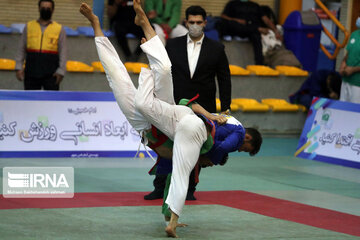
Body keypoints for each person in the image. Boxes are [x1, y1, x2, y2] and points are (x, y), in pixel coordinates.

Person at [79, 1, 261, 237]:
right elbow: (212, 143)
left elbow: (176, 181)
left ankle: (97, 25)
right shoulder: (232, 134)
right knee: (163, 69)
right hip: (176, 111)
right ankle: (144, 25)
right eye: (247, 147)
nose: (242, 148)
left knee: (117, 77)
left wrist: (170, 216)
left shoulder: (194, 151)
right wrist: (213, 121)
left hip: (150, 126)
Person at [145, 5, 232, 201]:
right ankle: (159, 187)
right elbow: (162, 73)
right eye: (191, 22)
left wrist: (225, 109)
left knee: (196, 148)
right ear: (186, 23)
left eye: (198, 22)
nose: (194, 26)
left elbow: (224, 79)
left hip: (205, 106)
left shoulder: (217, 48)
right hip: (175, 104)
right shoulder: (172, 45)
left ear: (205, 23)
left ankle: (190, 189)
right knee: (166, 145)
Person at [15, 0, 67, 90]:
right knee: (31, 101)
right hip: (31, 71)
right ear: (39, 9)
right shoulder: (29, 26)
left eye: (48, 8)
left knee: (51, 101)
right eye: (43, 8)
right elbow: (21, 49)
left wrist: (61, 71)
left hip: (52, 73)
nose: (45, 10)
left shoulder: (59, 29)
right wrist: (18, 67)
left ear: (53, 10)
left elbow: (63, 51)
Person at [218, 0, 281, 65]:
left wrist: (276, 31)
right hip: (237, 28)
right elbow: (223, 16)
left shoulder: (255, 5)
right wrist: (237, 20)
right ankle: (257, 29)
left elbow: (266, 20)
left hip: (251, 30)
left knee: (256, 36)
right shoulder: (232, 3)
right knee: (232, 24)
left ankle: (259, 64)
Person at [339, 15, 360, 104]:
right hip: (346, 79)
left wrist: (353, 70)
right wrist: (343, 63)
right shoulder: (354, 34)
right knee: (342, 108)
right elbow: (348, 52)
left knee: (355, 112)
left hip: (357, 83)